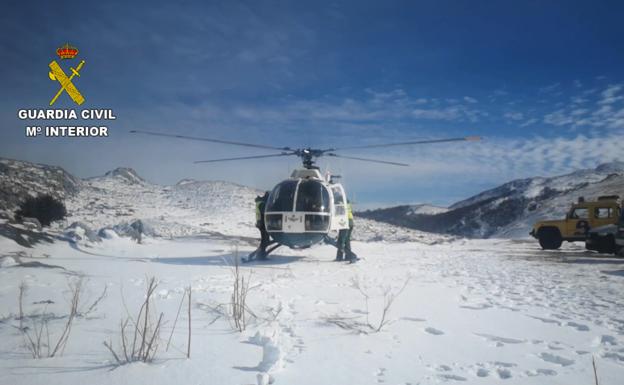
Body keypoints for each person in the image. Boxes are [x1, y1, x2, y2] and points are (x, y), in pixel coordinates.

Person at [254, 191, 271, 260]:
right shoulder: (262, 204)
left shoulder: (260, 202)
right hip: (262, 224)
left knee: (265, 239)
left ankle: (262, 253)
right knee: (265, 239)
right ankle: (261, 255)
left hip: (261, 223)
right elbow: (264, 213)